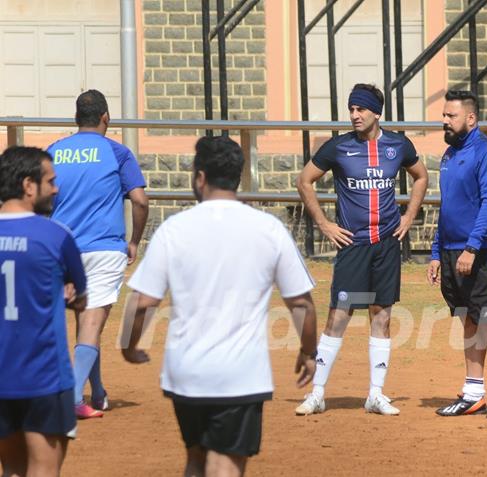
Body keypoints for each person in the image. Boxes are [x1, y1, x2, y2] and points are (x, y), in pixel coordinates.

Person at [120, 136, 318, 477]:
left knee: (195, 459)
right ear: (238, 177)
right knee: (224, 465)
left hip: (186, 373)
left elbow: (142, 304)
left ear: (200, 177)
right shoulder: (268, 229)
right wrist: (309, 350)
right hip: (240, 376)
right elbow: (301, 302)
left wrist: (129, 345)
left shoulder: (174, 229)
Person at [295, 83, 429, 416]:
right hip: (353, 244)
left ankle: (375, 394)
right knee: (337, 318)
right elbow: (304, 180)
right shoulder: (338, 147)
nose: (354, 115)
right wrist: (325, 224)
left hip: (386, 244)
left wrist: (409, 215)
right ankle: (317, 393)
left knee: (381, 318)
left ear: (376, 113)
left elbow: (421, 176)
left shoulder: (398, 145)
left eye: (361, 109)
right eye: (351, 109)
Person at [47, 89, 149, 419]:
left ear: (76, 119)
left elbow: (40, 199)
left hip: (62, 249)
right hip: (104, 248)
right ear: (106, 117)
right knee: (92, 322)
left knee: (85, 322)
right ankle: (73, 397)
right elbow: (140, 200)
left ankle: (98, 391)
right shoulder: (117, 152)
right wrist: (134, 241)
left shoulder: (54, 152)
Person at [0, 146, 87, 476]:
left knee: (11, 468)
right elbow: (80, 297)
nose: (56, 188)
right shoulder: (56, 236)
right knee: (43, 469)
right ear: (28, 185)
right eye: (50, 181)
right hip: (44, 377)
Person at [427, 90, 487, 418]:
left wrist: (472, 247)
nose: (444, 121)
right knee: (468, 320)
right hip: (450, 252)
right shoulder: (449, 155)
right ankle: (474, 394)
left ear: (471, 119)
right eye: (444, 115)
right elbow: (447, 208)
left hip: (481, 251)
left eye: (451, 116)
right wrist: (436, 252)